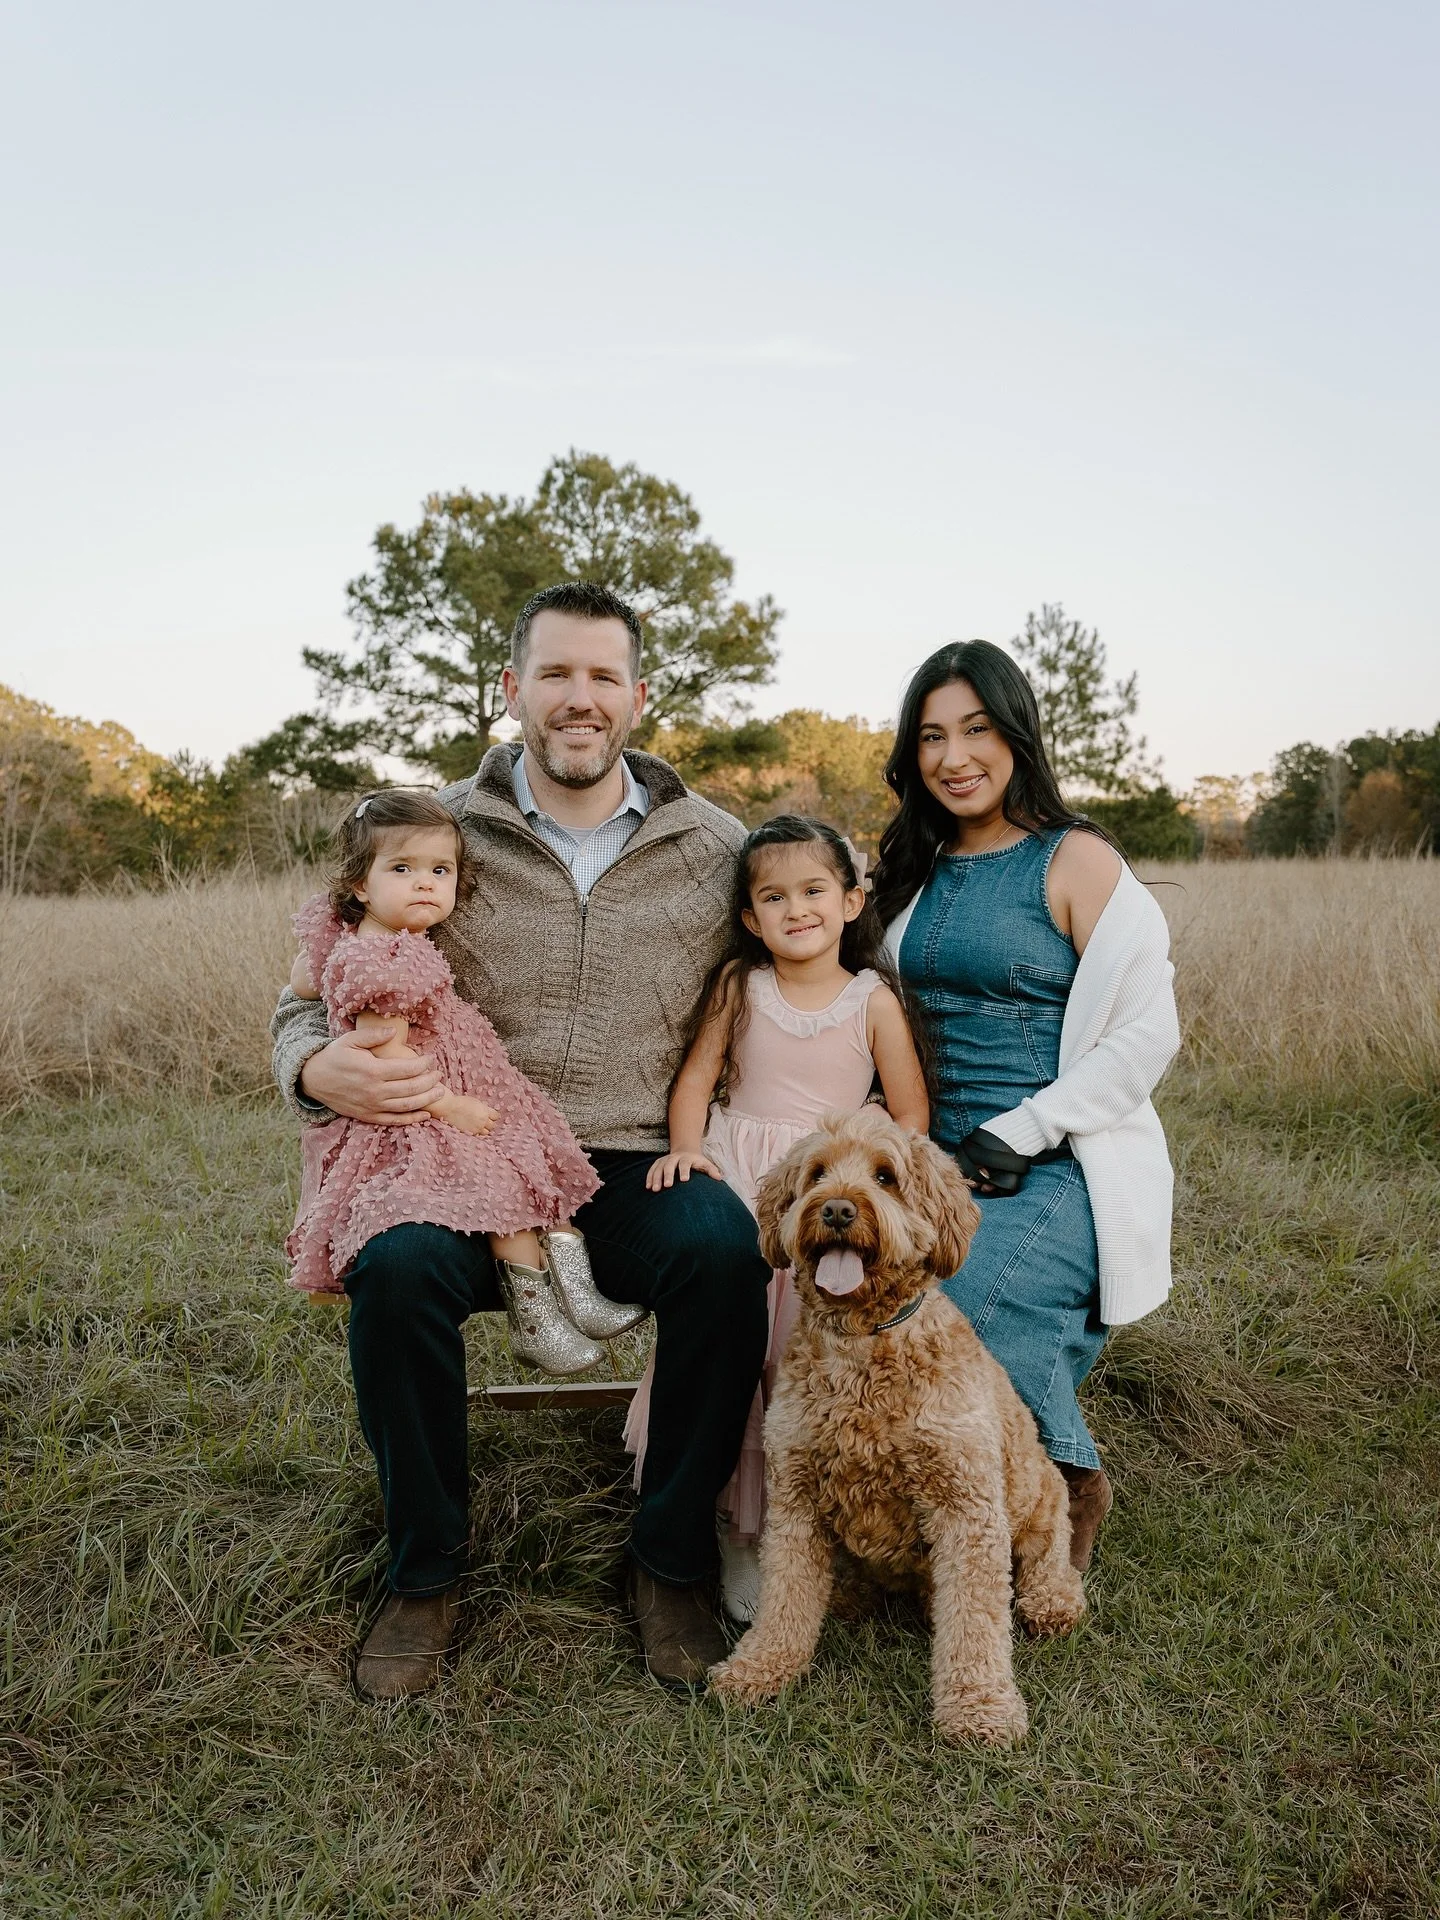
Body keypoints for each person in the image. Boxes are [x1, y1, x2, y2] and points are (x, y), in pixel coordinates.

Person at [270, 581, 770, 1698]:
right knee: (394, 1268)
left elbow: (802, 951)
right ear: (512, 691)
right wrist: (310, 1064)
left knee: (725, 1256)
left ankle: (671, 1560)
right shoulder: (435, 833)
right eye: (555, 674)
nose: (579, 699)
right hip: (462, 1158)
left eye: (603, 677)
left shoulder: (714, 847)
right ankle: (425, 1569)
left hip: (634, 1153)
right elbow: (307, 989)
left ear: (639, 696)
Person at [873, 640, 1180, 1571]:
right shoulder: (909, 868)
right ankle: (911, 1516)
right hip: (930, 1155)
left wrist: (1026, 1127)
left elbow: (1146, 1035)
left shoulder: (1076, 859)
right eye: (932, 736)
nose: (954, 756)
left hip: (1058, 1158)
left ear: (1017, 735)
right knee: (874, 1307)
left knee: (962, 1302)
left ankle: (1067, 1481)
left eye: (976, 729)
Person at [634, 814, 928, 1622]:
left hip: (826, 1200)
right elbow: (696, 1082)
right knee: (738, 1357)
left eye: (813, 890)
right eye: (774, 896)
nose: (795, 909)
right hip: (743, 1184)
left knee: (799, 1363)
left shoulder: (873, 1002)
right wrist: (689, 1153)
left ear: (850, 899)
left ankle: (821, 1527)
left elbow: (908, 1116)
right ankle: (738, 1532)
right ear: (749, 917)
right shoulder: (740, 987)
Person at [284, 787, 641, 1375]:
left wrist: (314, 974)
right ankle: (540, 1322)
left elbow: (308, 978)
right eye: (402, 868)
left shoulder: (378, 941)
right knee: (505, 1192)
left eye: (440, 870)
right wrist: (455, 1107)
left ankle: (574, 1299)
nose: (425, 883)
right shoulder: (383, 963)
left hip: (449, 1093)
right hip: (419, 1120)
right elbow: (390, 1065)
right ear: (359, 885)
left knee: (528, 1162)